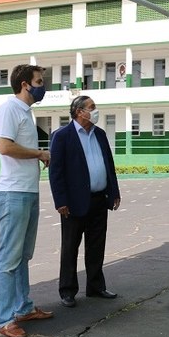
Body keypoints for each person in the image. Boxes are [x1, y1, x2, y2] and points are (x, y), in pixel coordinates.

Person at [0, 64, 53, 337]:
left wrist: (38, 156)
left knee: (23, 257)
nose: (43, 86)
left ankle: (23, 307)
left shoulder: (26, 113)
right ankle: (6, 319)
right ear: (25, 84)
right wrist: (38, 154)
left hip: (28, 192)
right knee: (8, 259)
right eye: (39, 81)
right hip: (13, 193)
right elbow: (4, 146)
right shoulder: (8, 109)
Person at [49, 95, 122, 308]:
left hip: (99, 200)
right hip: (73, 203)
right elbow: (56, 172)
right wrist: (60, 200)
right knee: (70, 247)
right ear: (80, 111)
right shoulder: (62, 136)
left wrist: (114, 191)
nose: (95, 110)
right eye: (92, 107)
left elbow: (109, 164)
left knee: (96, 246)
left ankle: (96, 286)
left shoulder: (99, 134)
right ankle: (68, 291)